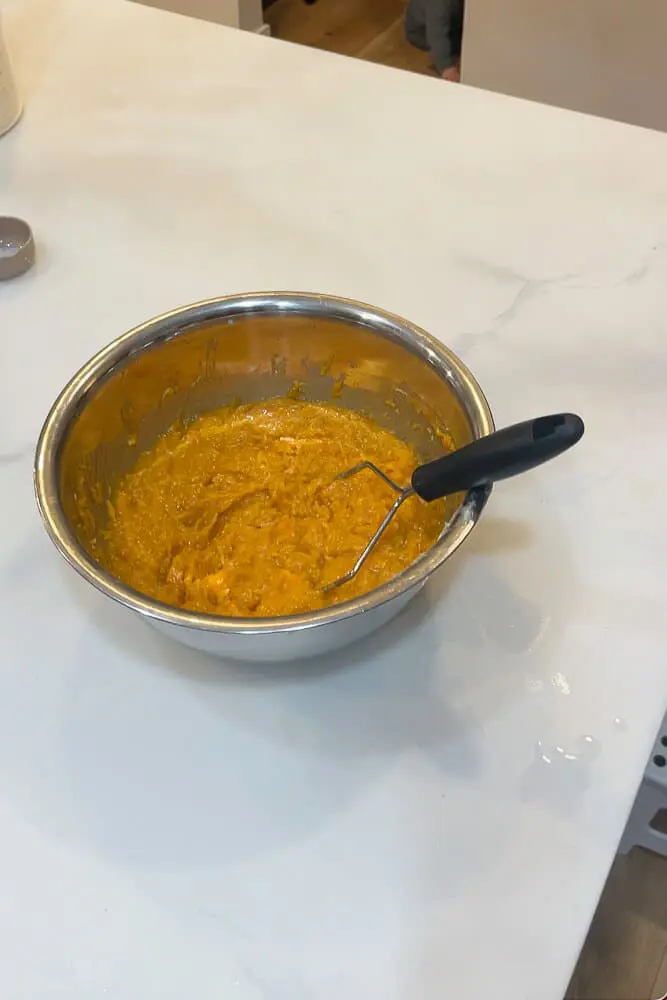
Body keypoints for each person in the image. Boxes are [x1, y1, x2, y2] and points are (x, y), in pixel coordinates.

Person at [404, 0, 465, 82]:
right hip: (423, 32)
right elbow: (437, 36)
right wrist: (446, 67)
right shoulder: (437, 4)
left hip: (450, 23)